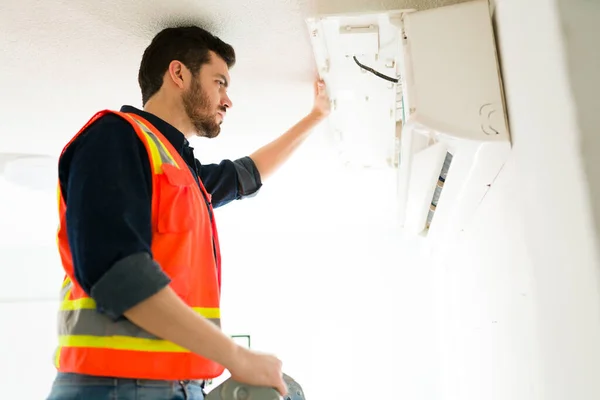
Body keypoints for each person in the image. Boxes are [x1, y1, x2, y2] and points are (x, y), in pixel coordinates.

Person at [45, 25, 330, 400]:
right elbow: (118, 274)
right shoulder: (115, 137)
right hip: (115, 386)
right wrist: (237, 357)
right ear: (178, 73)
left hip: (175, 387)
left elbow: (246, 174)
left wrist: (316, 116)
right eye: (220, 82)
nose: (228, 100)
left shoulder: (184, 174)